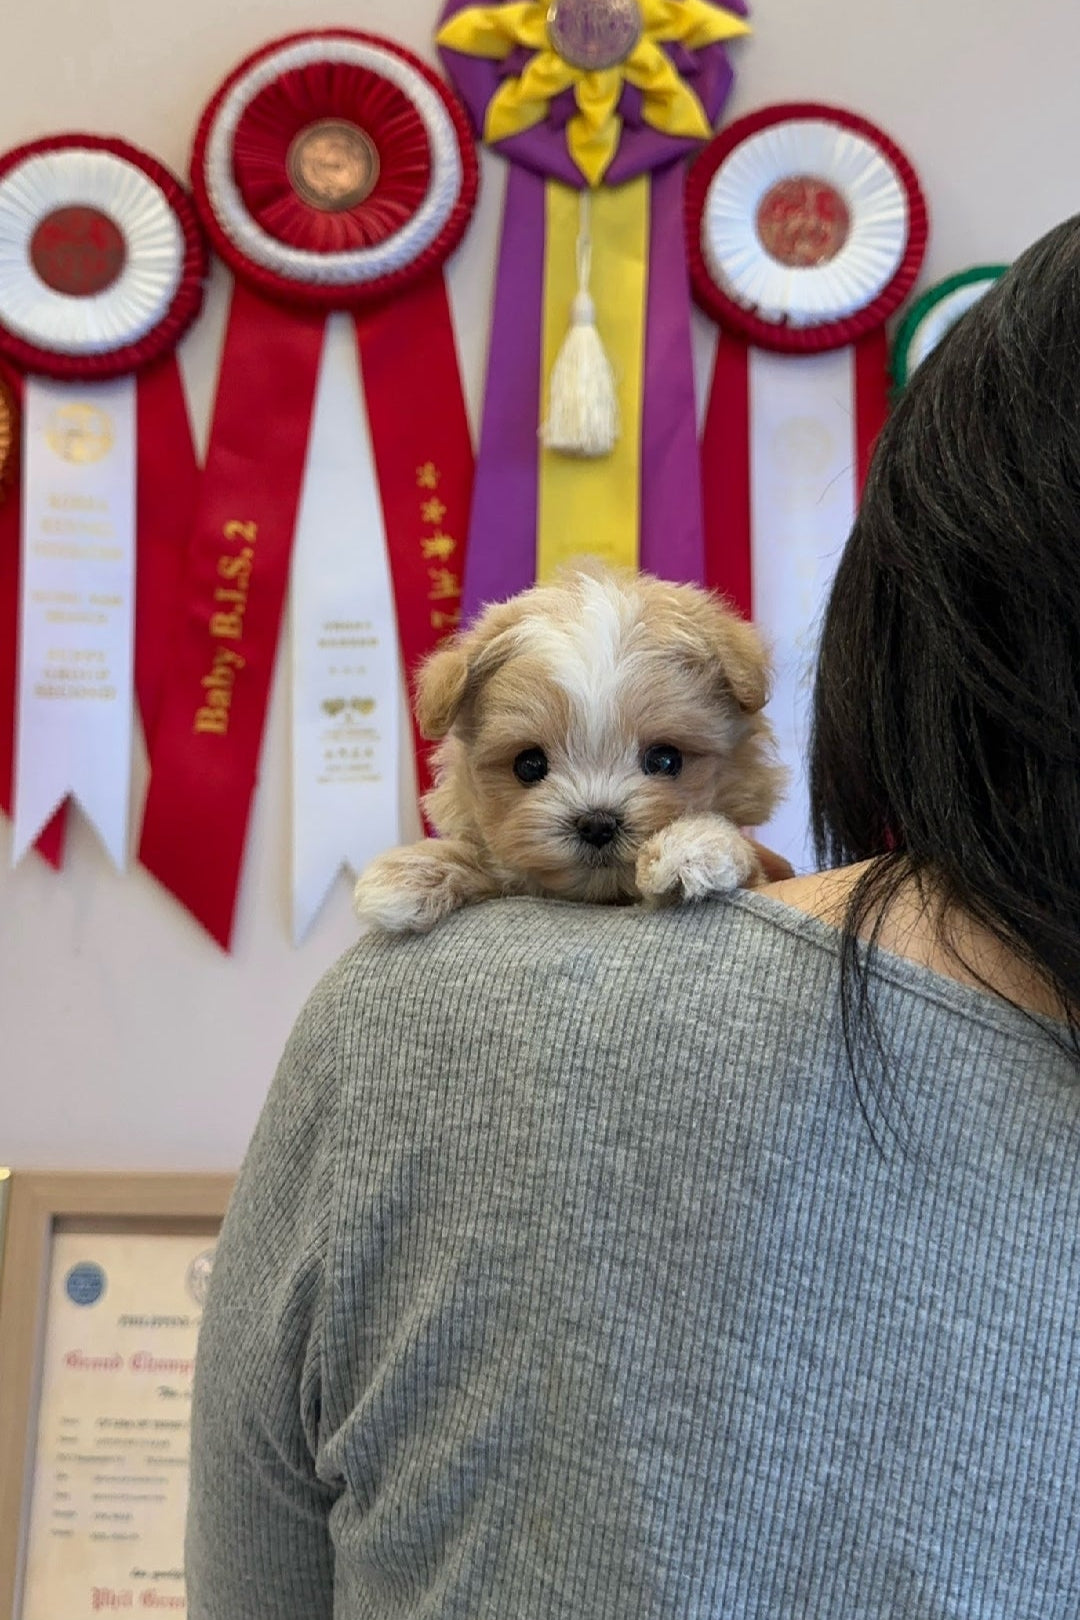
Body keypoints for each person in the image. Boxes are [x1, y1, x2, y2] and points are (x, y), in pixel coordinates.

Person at [186, 216, 1080, 1619]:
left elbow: (255, 1575)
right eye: (533, 764)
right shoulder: (423, 999)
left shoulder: (410, 1027)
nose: (606, 809)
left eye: (665, 761)